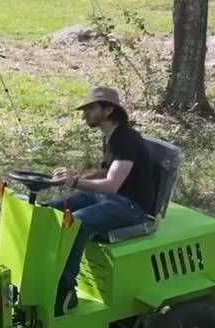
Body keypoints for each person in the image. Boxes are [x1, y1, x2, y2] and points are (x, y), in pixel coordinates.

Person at [48, 87, 155, 316]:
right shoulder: (110, 136)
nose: (84, 114)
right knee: (51, 212)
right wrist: (75, 176)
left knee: (76, 222)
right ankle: (45, 272)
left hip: (132, 206)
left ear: (108, 110)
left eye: (90, 109)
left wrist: (74, 183)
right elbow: (106, 173)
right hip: (111, 198)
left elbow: (111, 184)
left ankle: (65, 290)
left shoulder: (125, 139)